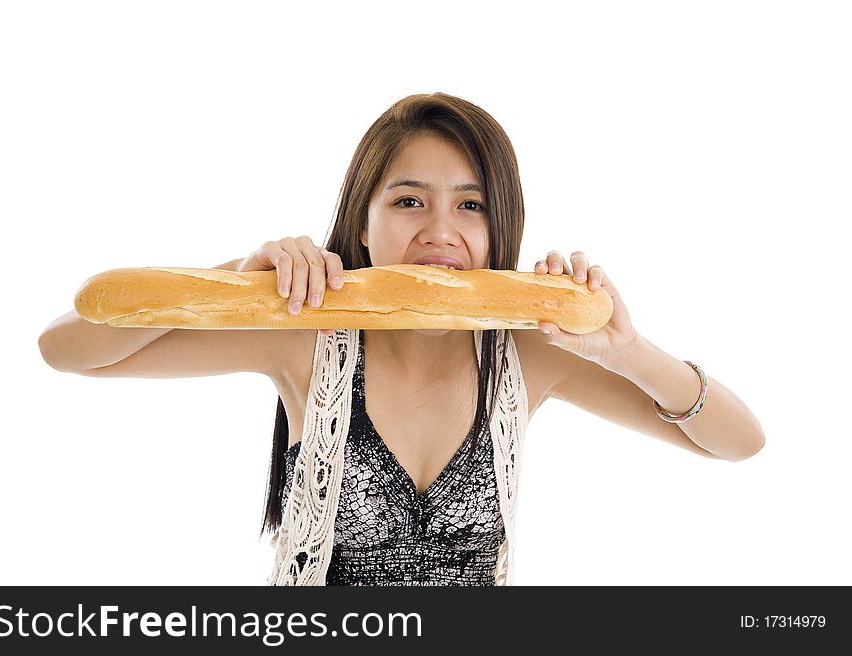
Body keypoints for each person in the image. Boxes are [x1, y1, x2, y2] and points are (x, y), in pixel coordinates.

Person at [38, 92, 766, 586]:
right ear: (363, 225)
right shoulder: (305, 337)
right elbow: (67, 348)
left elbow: (740, 441)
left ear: (498, 229)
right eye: (409, 199)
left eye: (471, 204)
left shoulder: (531, 353)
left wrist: (625, 349)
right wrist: (233, 281)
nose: (440, 230)